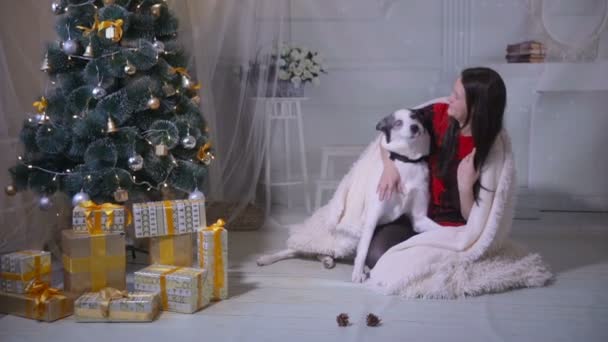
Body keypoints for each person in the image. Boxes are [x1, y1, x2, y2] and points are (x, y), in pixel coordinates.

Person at [365, 67, 507, 269]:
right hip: (412, 216)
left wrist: (465, 186)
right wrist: (389, 166)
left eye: (456, 96)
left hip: (449, 230)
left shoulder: (486, 151)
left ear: (475, 107)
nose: (449, 99)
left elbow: (475, 220)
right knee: (376, 256)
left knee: (431, 264)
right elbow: (389, 133)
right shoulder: (437, 115)